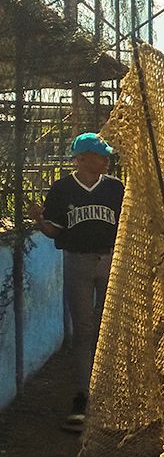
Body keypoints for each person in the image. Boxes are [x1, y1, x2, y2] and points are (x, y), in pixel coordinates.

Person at [27, 133, 124, 432]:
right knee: (83, 331)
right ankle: (83, 396)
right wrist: (40, 222)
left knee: (112, 329)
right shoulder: (62, 188)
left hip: (111, 260)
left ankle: (113, 395)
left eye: (105, 154)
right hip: (77, 261)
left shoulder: (116, 188)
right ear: (81, 158)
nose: (105, 158)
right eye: (99, 154)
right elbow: (55, 231)